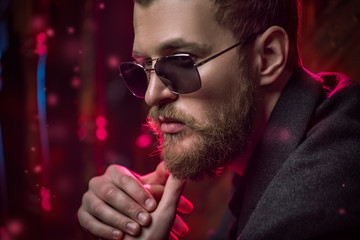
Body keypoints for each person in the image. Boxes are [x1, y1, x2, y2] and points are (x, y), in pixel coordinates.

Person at [77, 0, 360, 239]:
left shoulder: (311, 208)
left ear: (268, 56)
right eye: (142, 68)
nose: (152, 95)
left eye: (180, 62)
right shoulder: (306, 127)